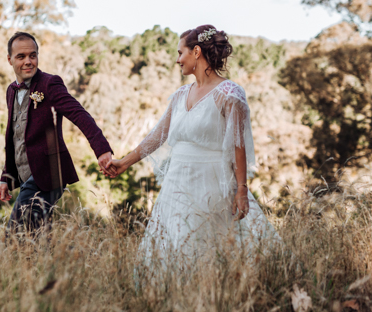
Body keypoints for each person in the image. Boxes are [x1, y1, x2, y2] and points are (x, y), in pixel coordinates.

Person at [105, 25, 280, 263]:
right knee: (175, 244)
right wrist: (124, 163)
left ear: (196, 52)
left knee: (208, 248)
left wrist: (241, 189)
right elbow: (158, 135)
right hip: (176, 183)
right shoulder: (180, 95)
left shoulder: (229, 94)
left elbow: (237, 144)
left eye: (180, 53)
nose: (178, 60)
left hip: (212, 182)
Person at [0, 32, 113, 233]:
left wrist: (101, 149)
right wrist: (5, 177)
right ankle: (58, 262)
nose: (28, 61)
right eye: (21, 57)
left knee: (14, 235)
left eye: (32, 56)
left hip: (49, 172)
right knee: (36, 236)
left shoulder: (49, 84)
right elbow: (14, 137)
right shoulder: (11, 91)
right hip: (26, 176)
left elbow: (79, 114)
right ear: (10, 60)